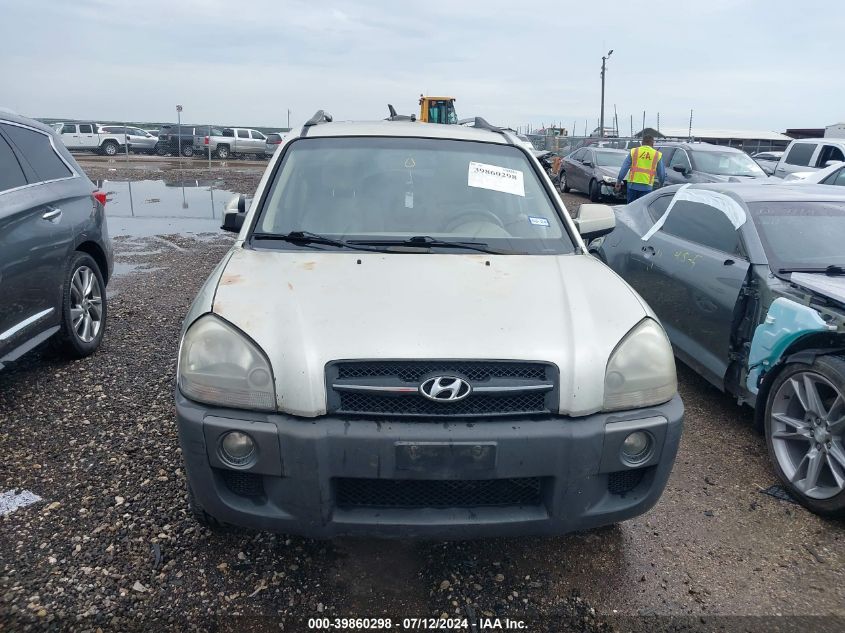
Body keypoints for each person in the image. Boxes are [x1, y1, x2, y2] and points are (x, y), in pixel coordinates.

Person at [614, 135, 665, 204]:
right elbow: (661, 173)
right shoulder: (657, 154)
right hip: (647, 187)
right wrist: (661, 184)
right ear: (653, 143)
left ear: (641, 143)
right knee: (642, 208)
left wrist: (619, 181)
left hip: (632, 185)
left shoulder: (634, 151)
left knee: (630, 208)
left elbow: (624, 168)